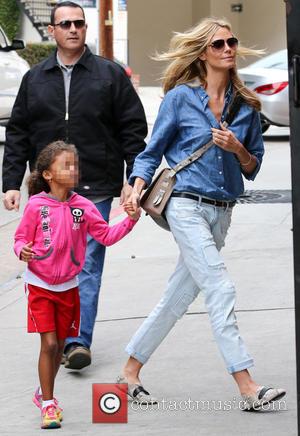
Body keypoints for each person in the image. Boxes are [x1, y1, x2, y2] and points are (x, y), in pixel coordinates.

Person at [118, 17, 286, 410]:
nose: (228, 49)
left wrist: (236, 148)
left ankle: (129, 371)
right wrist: (137, 185)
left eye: (232, 42)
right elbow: (151, 150)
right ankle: (246, 386)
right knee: (220, 287)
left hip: (222, 211)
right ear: (202, 53)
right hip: (184, 204)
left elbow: (253, 166)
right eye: (218, 44)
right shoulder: (180, 98)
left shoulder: (246, 107)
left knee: (179, 296)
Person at [2, 1, 147, 370]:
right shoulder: (34, 78)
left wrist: (133, 179)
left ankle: (76, 342)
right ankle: (59, 334)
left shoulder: (108, 75)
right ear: (51, 31)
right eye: (64, 23)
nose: (72, 29)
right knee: (52, 264)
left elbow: (132, 128)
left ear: (85, 29)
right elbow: (18, 131)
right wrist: (12, 182)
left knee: (87, 264)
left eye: (79, 23)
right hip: (49, 192)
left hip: (95, 186)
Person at [14, 140, 140, 429]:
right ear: (47, 174)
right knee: (50, 343)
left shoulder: (83, 207)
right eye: (66, 165)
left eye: (76, 165)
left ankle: (43, 391)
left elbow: (105, 236)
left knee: (59, 350)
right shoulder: (36, 206)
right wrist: (21, 250)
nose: (74, 170)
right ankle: (48, 404)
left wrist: (131, 220)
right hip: (40, 286)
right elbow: (20, 239)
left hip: (69, 287)